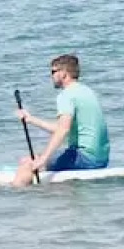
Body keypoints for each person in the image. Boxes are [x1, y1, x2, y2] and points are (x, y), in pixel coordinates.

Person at [12, 53, 110, 186]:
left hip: (84, 158)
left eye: (53, 71)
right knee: (37, 159)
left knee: (27, 163)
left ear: (63, 73)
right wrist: (31, 119)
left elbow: (63, 130)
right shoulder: (86, 91)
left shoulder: (66, 95)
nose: (51, 76)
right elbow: (63, 128)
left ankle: (15, 197)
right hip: (101, 159)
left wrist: (43, 160)